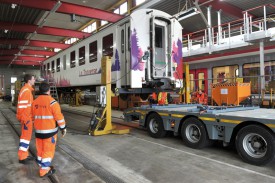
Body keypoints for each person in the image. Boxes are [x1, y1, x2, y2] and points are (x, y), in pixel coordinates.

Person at [32, 82, 67, 177]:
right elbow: (59, 118)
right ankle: (44, 170)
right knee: (48, 151)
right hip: (50, 133)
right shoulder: (53, 103)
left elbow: (32, 117)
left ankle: (41, 165)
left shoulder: (35, 102)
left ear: (39, 90)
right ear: (49, 90)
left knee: (40, 150)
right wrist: (63, 128)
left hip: (38, 132)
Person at [17, 74, 35, 164]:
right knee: (25, 138)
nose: (34, 80)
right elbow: (23, 107)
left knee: (26, 138)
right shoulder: (26, 91)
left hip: (27, 118)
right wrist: (25, 119)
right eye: (33, 79)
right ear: (29, 81)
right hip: (26, 119)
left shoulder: (27, 90)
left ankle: (25, 155)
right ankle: (22, 157)